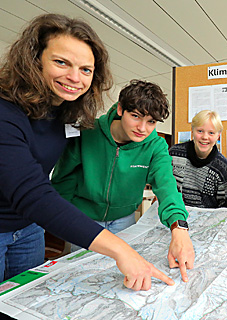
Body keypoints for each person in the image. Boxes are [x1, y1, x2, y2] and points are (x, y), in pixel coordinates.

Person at [0, 13, 186, 289]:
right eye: (61, 62)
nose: (74, 77)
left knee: (26, 293)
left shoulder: (65, 114)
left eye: (86, 69)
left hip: (30, 228)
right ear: (34, 59)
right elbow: (44, 188)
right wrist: (121, 250)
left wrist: (179, 227)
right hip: (60, 216)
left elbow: (166, 184)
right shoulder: (9, 113)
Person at [51, 79, 195, 273]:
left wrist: (179, 229)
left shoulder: (156, 146)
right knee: (84, 273)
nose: (142, 128)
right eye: (135, 116)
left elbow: (167, 186)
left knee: (116, 274)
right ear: (120, 109)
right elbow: (63, 180)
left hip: (123, 220)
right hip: (84, 219)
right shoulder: (87, 133)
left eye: (151, 121)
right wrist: (61, 220)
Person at [169, 110, 227, 208]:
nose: (205, 137)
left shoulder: (223, 168)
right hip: (174, 215)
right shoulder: (174, 153)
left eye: (211, 133)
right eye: (200, 131)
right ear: (192, 130)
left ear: (218, 135)